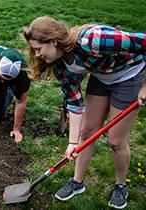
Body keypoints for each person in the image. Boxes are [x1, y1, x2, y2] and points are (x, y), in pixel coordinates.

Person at [22, 16, 146, 209]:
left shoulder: (95, 40)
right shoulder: (60, 65)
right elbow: (74, 102)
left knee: (115, 141)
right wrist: (72, 143)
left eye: (38, 49)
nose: (37, 55)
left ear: (53, 41)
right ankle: (77, 182)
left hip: (130, 76)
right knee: (85, 134)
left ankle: (120, 185)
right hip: (102, 77)